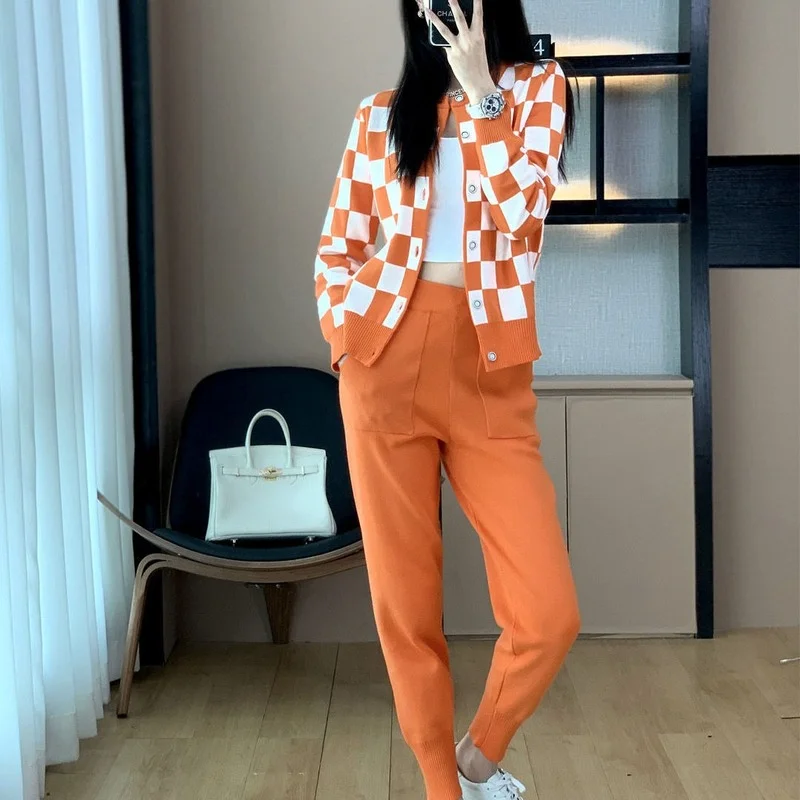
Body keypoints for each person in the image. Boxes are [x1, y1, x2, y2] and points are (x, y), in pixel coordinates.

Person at [314, 1, 580, 797]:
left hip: (489, 367)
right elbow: (338, 247)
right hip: (384, 363)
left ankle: (477, 757)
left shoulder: (537, 89)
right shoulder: (380, 115)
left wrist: (481, 95)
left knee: (548, 613)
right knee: (405, 605)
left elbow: (522, 213)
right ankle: (441, 785)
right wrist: (347, 340)